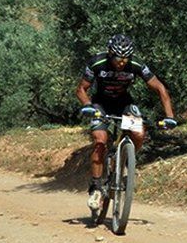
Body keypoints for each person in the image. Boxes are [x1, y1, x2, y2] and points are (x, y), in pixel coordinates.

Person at [75, 34, 177, 213]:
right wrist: (88, 106)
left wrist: (169, 116)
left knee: (139, 132)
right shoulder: (97, 62)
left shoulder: (136, 64)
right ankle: (96, 188)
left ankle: (124, 163)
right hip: (100, 105)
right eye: (118, 58)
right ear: (110, 54)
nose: (122, 62)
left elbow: (160, 88)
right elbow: (81, 89)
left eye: (125, 58)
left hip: (124, 104)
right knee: (100, 140)